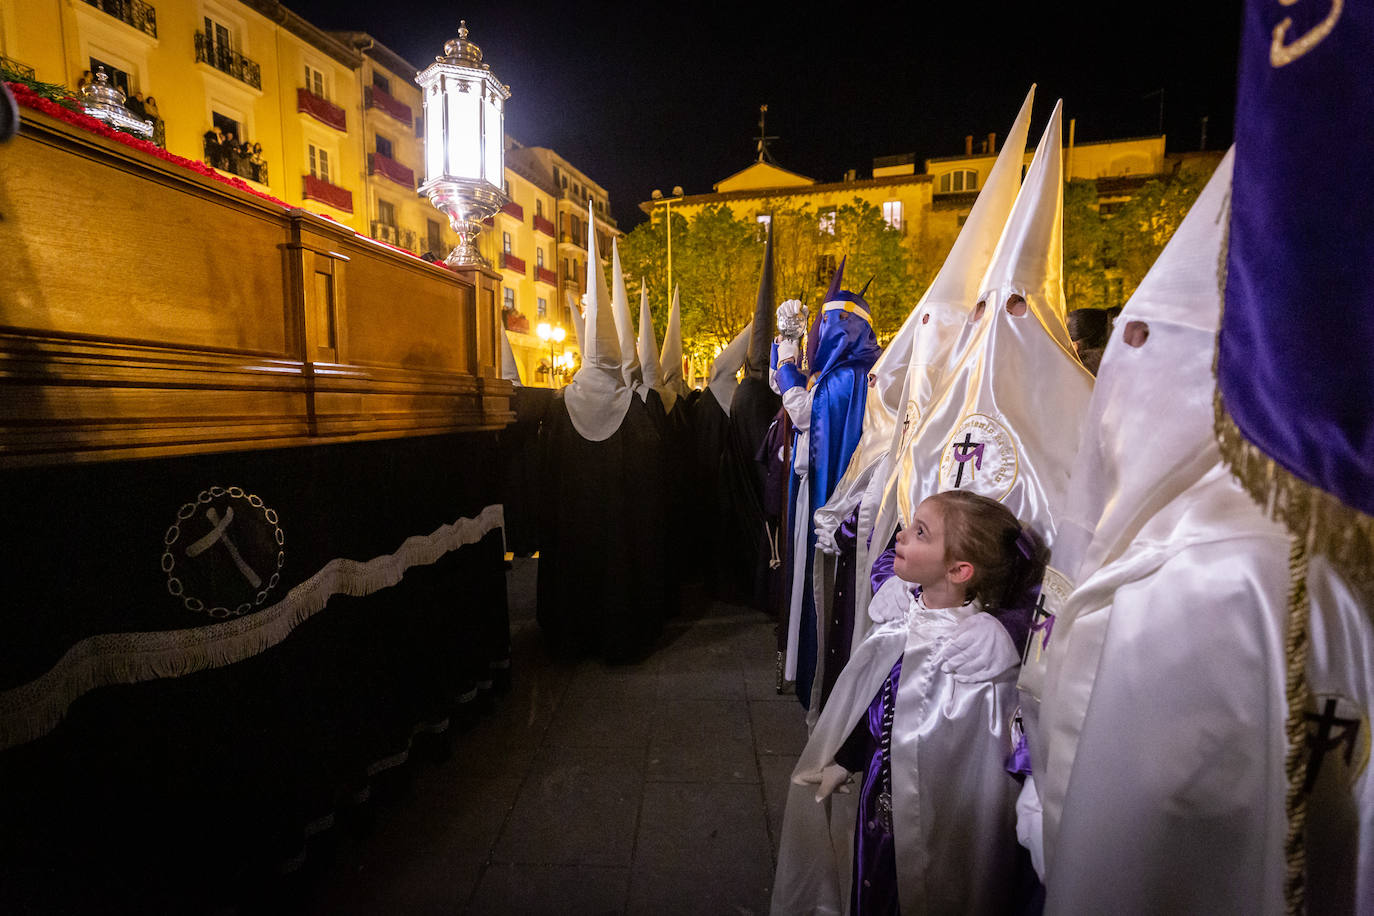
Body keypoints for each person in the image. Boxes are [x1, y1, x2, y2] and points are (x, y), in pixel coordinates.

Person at [773, 489, 1043, 916]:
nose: (900, 536)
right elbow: (877, 707)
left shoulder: (973, 664)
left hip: (938, 825)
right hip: (878, 809)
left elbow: (981, 764)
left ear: (958, 570)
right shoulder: (900, 626)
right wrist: (845, 759)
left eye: (920, 532)